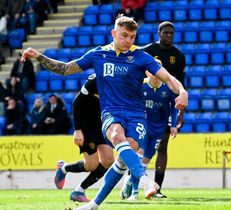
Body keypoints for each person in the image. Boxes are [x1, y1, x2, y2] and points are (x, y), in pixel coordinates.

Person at [21, 15, 188, 210]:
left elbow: (168, 78)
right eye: (124, 35)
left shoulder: (141, 57)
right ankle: (146, 181)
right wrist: (38, 56)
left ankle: (93, 204)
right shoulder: (98, 55)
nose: (128, 40)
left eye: (132, 37)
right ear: (114, 33)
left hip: (136, 115)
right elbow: (66, 69)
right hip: (111, 112)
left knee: (124, 156)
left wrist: (182, 91)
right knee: (117, 136)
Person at [121, 62, 178, 200]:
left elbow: (174, 106)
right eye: (152, 71)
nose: (156, 75)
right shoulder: (140, 86)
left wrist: (173, 125)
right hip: (143, 126)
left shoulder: (168, 87)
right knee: (139, 159)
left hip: (159, 129)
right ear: (147, 72)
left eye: (158, 71)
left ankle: (129, 181)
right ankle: (135, 193)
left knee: (145, 163)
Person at [142, 21, 186, 198]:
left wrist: (180, 113)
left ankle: (157, 188)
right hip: (144, 105)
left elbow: (181, 85)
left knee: (162, 147)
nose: (169, 36)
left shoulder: (178, 56)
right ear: (158, 33)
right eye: (166, 33)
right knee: (139, 146)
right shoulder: (147, 51)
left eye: (171, 33)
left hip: (164, 107)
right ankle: (135, 183)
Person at [54, 74, 114, 203]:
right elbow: (77, 102)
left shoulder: (119, 80)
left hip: (102, 125)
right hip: (86, 126)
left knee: (108, 161)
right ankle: (64, 168)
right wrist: (77, 130)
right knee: (92, 165)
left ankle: (78, 191)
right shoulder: (95, 79)